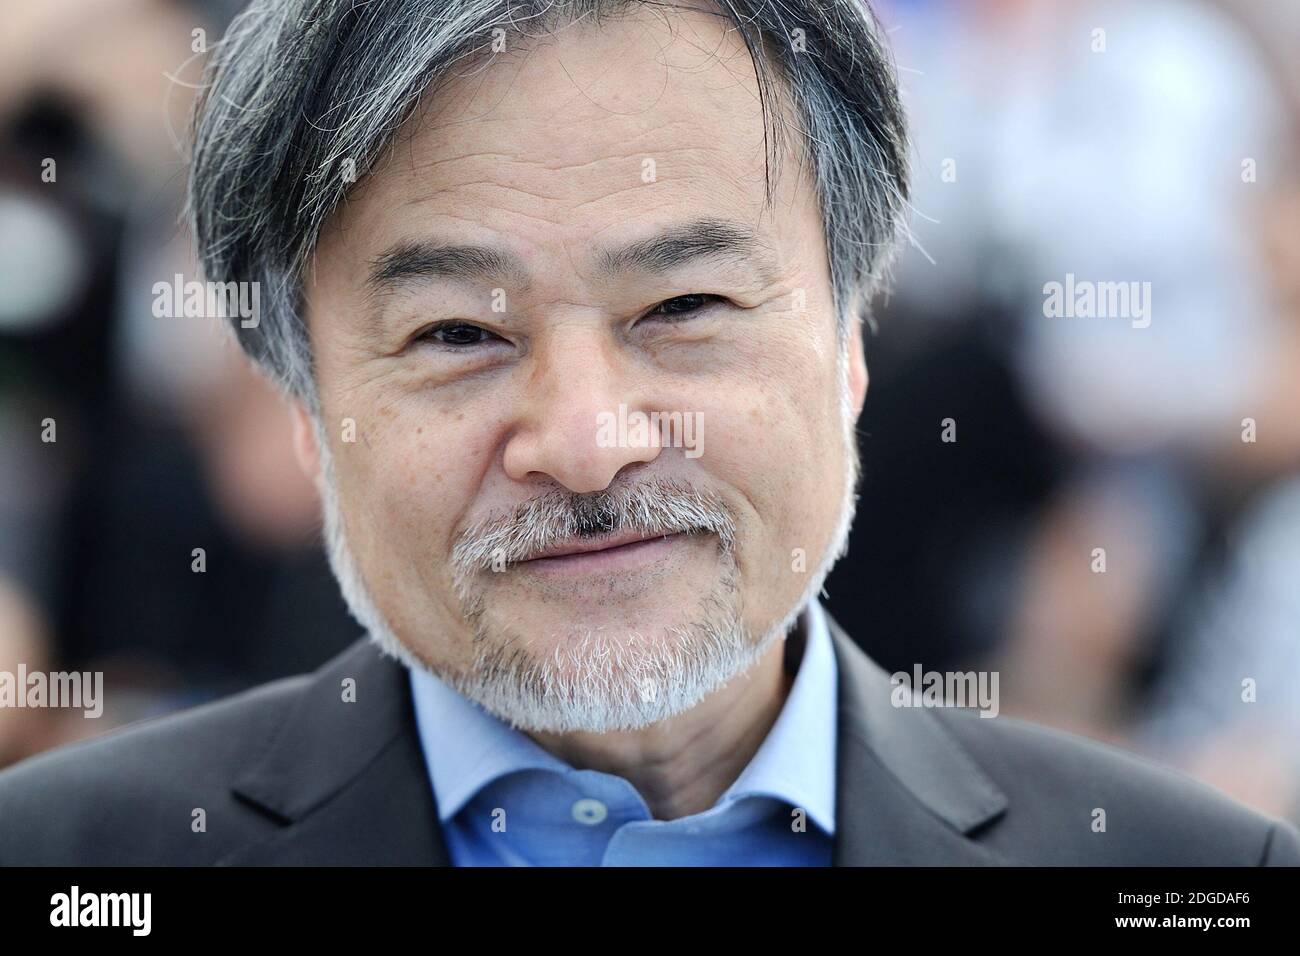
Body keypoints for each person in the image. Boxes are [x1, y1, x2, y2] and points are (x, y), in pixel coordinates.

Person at [1, 0, 1296, 866]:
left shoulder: (1193, 875)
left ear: (851, 341)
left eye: (683, 306)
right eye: (458, 334)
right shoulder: (66, 861)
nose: (587, 438)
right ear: (300, 407)